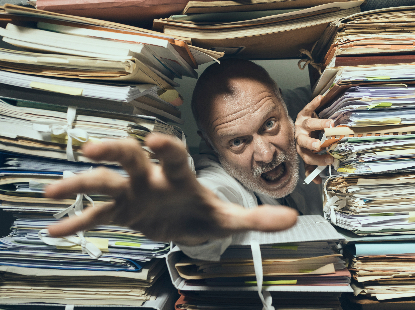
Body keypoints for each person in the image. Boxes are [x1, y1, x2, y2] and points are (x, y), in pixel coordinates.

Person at [44, 59, 334, 259]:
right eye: (237, 141)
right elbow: (213, 196)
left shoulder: (313, 106)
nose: (265, 154)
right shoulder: (218, 173)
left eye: (270, 124)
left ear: (285, 106)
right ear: (209, 144)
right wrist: (191, 223)